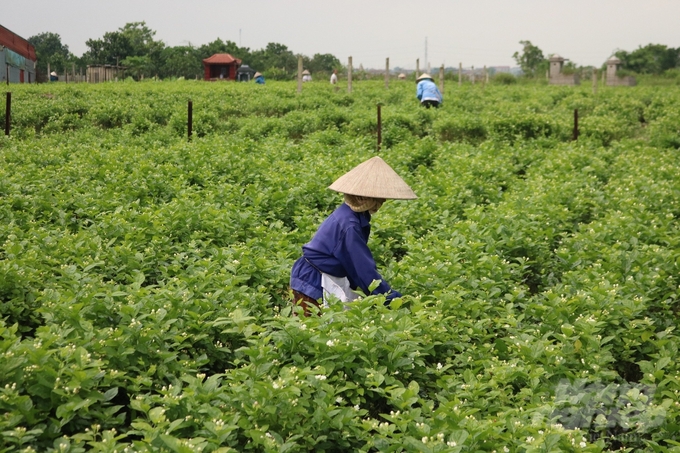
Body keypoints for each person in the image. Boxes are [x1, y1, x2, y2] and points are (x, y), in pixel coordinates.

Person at [290, 156, 417, 316]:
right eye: (378, 198)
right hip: (313, 281)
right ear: (363, 197)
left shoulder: (355, 217)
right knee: (312, 332)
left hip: (322, 274)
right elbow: (363, 271)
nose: (382, 201)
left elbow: (356, 267)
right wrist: (393, 299)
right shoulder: (349, 224)